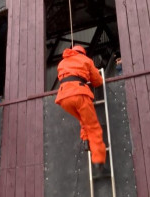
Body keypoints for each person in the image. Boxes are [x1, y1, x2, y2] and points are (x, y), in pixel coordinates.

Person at [55, 45, 109, 179]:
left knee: (84, 121)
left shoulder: (62, 63)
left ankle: (85, 140)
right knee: (94, 128)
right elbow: (97, 81)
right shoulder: (85, 60)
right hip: (79, 94)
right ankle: (99, 162)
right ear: (83, 53)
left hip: (63, 99)